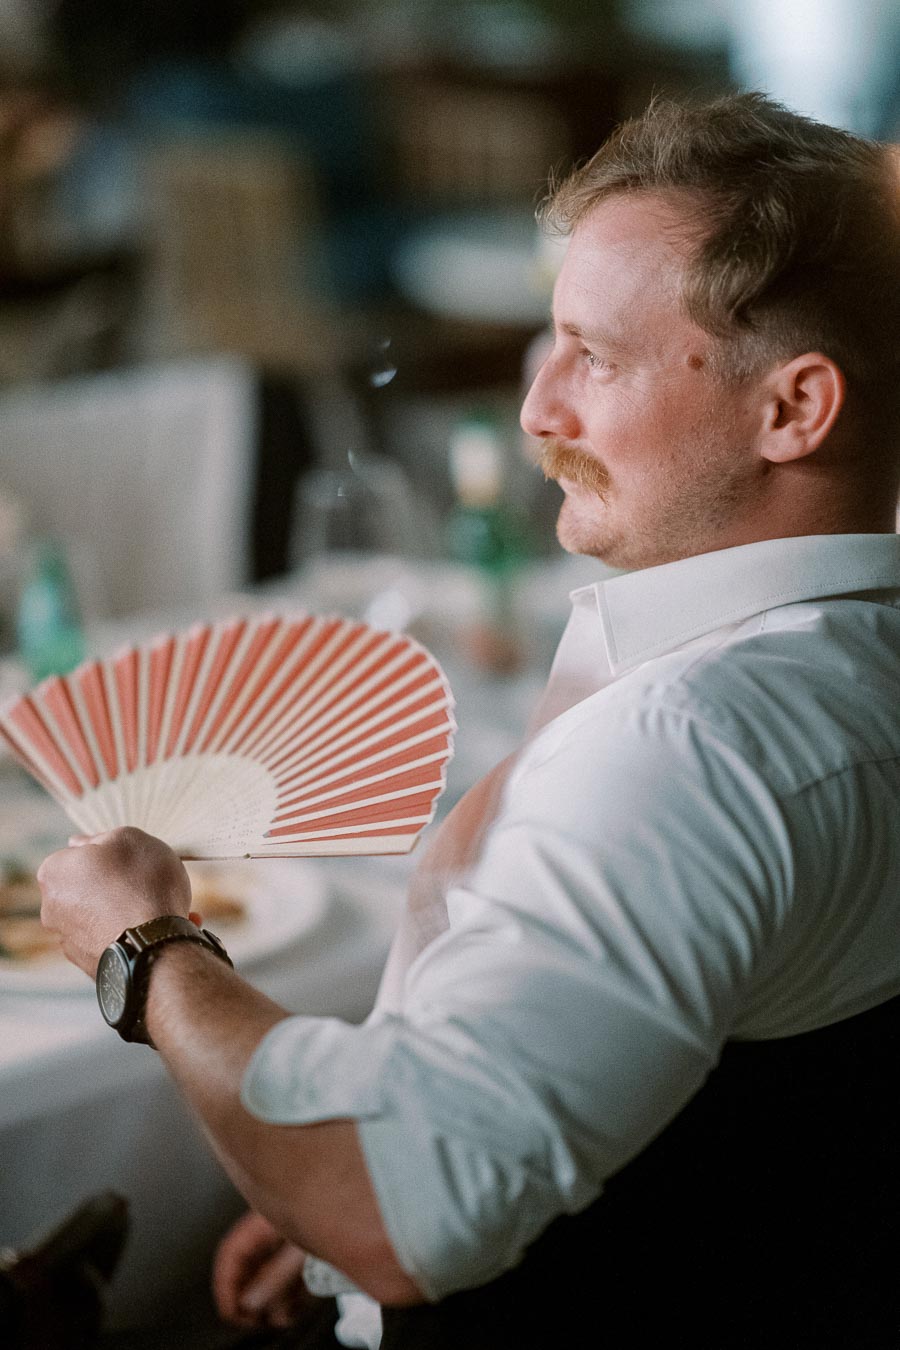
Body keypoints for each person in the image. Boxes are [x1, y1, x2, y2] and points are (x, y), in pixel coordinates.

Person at [39, 91, 900, 1349]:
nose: (537, 412)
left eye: (596, 357)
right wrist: (347, 1156)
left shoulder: (686, 746)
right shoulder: (832, 671)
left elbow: (388, 1205)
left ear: (794, 410)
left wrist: (145, 947)